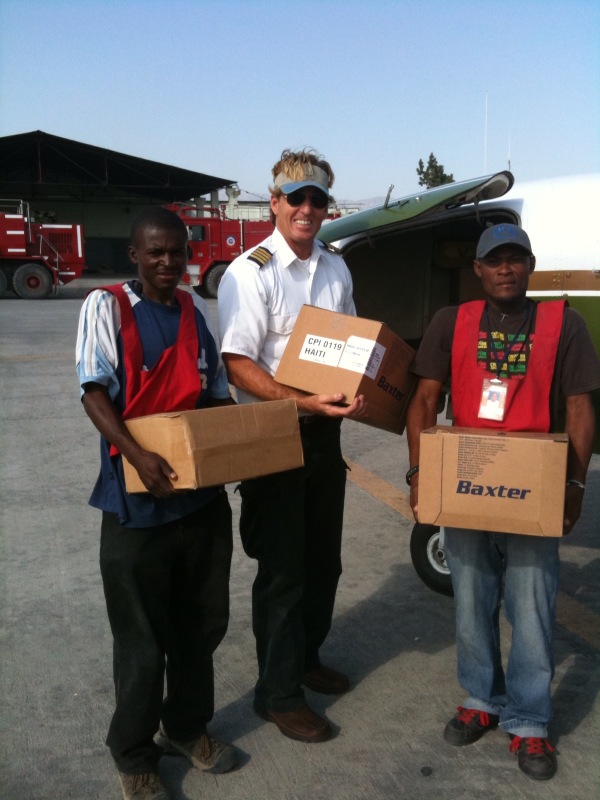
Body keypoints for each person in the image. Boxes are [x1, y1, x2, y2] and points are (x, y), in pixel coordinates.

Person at [406, 223, 600, 781]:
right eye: (495, 261)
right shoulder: (453, 322)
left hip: (531, 485)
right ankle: (481, 700)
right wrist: (421, 474)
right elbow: (423, 400)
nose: (506, 269)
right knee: (470, 597)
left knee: (532, 602)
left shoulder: (565, 324)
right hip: (467, 482)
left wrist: (576, 483)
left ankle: (531, 721)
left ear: (531, 265)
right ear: (479, 269)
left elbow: (582, 408)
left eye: (516, 260)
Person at [76, 207, 238, 800]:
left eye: (177, 252)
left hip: (198, 504)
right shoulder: (108, 307)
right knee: (142, 641)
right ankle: (134, 752)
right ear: (135, 257)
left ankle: (187, 728)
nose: (169, 262)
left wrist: (260, 435)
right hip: (136, 508)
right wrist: (137, 455)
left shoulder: (195, 313)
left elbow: (216, 397)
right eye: (156, 253)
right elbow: (94, 394)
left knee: (200, 628)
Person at [217, 148, 367, 743]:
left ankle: (304, 660)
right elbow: (236, 362)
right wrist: (298, 401)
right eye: (296, 197)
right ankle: (276, 696)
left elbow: (353, 342)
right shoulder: (249, 272)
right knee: (282, 570)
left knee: (323, 561)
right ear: (274, 202)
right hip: (275, 433)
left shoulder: (335, 268)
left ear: (327, 207)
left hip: (324, 434)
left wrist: (359, 392)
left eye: (318, 199)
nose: (307, 208)